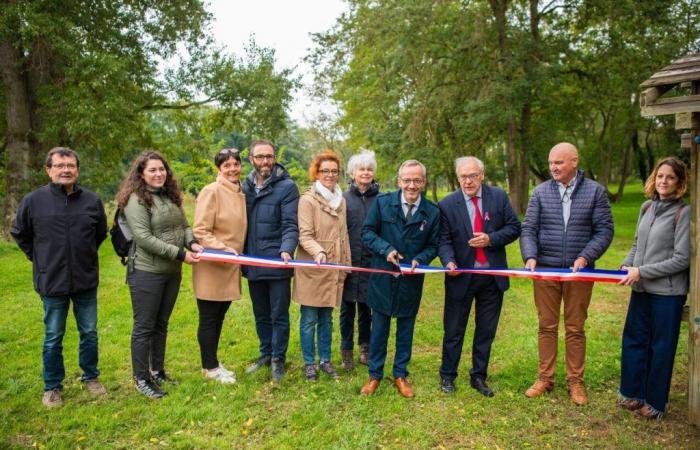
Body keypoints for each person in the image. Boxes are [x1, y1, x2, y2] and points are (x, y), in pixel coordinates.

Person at [11, 147, 108, 408]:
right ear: (48, 170)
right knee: (53, 335)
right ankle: (52, 387)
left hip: (85, 280)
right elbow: (20, 233)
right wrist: (39, 258)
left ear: (77, 169)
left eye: (71, 165)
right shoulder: (33, 201)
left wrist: (83, 257)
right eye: (60, 165)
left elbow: (99, 234)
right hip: (51, 281)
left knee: (89, 332)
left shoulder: (92, 201)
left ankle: (91, 377)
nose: (66, 170)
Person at [520, 142, 614, 405]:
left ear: (574, 162)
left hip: (579, 272)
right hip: (546, 270)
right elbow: (528, 229)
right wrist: (530, 256)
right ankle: (545, 378)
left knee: (575, 328)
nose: (553, 167)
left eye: (558, 163)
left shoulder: (595, 192)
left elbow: (604, 230)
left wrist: (585, 257)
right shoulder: (540, 192)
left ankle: (576, 382)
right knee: (546, 325)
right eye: (551, 163)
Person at [116, 150, 203, 399]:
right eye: (152, 170)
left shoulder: (169, 196)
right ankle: (141, 378)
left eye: (161, 169)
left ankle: (157, 370)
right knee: (144, 326)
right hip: (146, 272)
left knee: (161, 324)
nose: (158, 173)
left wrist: (193, 244)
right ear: (141, 174)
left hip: (170, 272)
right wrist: (180, 255)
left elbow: (184, 226)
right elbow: (143, 238)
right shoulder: (136, 200)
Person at [437, 157, 521, 397]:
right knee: (453, 329)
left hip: (491, 277)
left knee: (486, 330)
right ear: (458, 177)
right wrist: (448, 261)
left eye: (473, 175)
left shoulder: (498, 197)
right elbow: (443, 240)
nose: (468, 181)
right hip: (460, 275)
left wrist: (491, 238)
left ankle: (478, 376)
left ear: (482, 175)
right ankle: (447, 375)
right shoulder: (447, 204)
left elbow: (515, 227)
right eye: (463, 176)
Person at [360, 160, 440, 398]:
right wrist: (386, 250)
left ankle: (400, 374)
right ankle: (374, 375)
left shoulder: (433, 212)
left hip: (411, 280)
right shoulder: (383, 203)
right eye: (407, 180)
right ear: (399, 181)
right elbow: (367, 232)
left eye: (416, 180)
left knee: (406, 329)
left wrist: (421, 259)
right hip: (383, 277)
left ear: (423, 182)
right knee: (379, 329)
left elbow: (434, 245)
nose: (411, 185)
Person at [617, 156, 690, 419]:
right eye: (660, 176)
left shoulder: (685, 212)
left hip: (667, 293)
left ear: (680, 183)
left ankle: (655, 402)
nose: (664, 181)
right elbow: (637, 245)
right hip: (641, 289)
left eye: (670, 177)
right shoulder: (646, 207)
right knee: (634, 340)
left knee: (661, 346)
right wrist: (626, 265)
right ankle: (633, 393)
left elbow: (682, 259)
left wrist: (642, 271)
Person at [242, 140, 299, 383]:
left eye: (269, 156)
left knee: (279, 314)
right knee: (261, 313)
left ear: (275, 158)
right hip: (253, 261)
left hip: (277, 262)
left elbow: (290, 224)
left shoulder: (287, 187)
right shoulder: (243, 187)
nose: (265, 161)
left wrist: (286, 249)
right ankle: (265, 353)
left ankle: (278, 358)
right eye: (260, 157)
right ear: (251, 159)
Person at [293, 150, 351, 381]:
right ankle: (309, 363)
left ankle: (325, 360)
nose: (329, 175)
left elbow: (343, 234)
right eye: (325, 170)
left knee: (327, 318)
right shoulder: (307, 200)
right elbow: (304, 235)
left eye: (334, 171)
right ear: (316, 173)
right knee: (309, 319)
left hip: (334, 267)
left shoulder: (341, 200)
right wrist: (319, 252)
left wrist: (346, 263)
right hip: (312, 267)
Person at [192, 149, 247, 384]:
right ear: (218, 169)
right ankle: (210, 367)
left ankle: (212, 362)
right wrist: (222, 248)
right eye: (227, 166)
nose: (232, 169)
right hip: (213, 264)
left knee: (219, 316)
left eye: (236, 164)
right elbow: (200, 231)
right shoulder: (211, 191)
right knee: (209, 317)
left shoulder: (239, 192)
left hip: (230, 265)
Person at [340, 150, 380, 371]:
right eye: (361, 169)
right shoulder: (343, 199)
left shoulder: (382, 199)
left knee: (367, 309)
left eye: (369, 169)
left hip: (372, 263)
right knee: (347, 310)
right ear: (352, 173)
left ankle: (365, 348)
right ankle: (346, 351)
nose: (365, 172)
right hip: (349, 261)